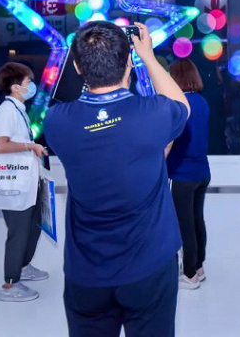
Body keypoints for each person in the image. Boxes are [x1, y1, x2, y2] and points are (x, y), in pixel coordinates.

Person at [44, 22, 190, 337]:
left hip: (87, 271)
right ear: (128, 62)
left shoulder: (56, 122)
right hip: (149, 266)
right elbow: (182, 106)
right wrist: (147, 56)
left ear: (78, 67)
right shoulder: (152, 115)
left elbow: (103, 142)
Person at [0, 62, 49, 302]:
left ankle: (23, 267)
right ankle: (10, 283)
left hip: (27, 181)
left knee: (33, 227)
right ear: (15, 87)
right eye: (28, 82)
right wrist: (30, 146)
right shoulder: (7, 111)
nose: (32, 86)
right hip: (13, 185)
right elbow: (0, 145)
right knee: (19, 232)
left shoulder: (18, 109)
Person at [167, 59, 211, 290]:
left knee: (185, 225)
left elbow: (172, 140)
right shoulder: (201, 101)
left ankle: (190, 274)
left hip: (182, 174)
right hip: (202, 171)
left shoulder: (179, 104)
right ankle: (199, 267)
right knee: (196, 220)